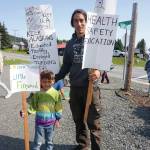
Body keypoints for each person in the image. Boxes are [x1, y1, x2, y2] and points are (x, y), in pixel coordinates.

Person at [55, 9, 101, 150]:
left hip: (91, 88)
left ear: (86, 22)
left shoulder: (95, 40)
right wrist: (55, 78)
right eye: (76, 20)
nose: (79, 23)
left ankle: (96, 148)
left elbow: (103, 61)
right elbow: (66, 66)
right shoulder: (69, 44)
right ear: (72, 23)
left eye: (82, 20)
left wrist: (99, 72)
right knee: (78, 120)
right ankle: (83, 145)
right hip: (75, 88)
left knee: (94, 122)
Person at [21, 70, 62, 150]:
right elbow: (34, 106)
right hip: (39, 123)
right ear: (40, 82)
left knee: (49, 141)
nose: (46, 84)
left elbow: (58, 107)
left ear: (53, 81)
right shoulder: (38, 93)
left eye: (49, 81)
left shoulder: (56, 93)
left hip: (51, 123)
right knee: (37, 141)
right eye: (44, 82)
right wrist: (26, 112)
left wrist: (58, 118)